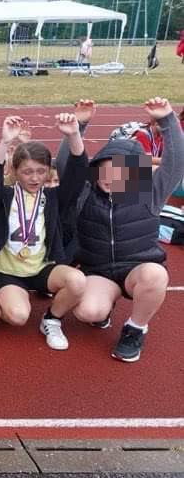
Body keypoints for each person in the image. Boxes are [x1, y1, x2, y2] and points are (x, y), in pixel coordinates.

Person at [71, 97, 184, 361]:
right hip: (99, 270)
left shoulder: (150, 192)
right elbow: (72, 164)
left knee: (156, 276)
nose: (111, 179)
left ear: (135, 173)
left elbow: (175, 162)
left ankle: (135, 328)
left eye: (120, 173)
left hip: (138, 268)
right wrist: (79, 125)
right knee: (88, 312)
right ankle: (106, 304)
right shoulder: (85, 192)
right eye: (105, 171)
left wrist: (167, 120)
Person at [0, 114, 88, 351]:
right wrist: (5, 142)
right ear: (14, 170)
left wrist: (73, 134)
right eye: (28, 172)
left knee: (78, 282)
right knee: (17, 316)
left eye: (41, 172)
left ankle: (51, 318)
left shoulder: (53, 198)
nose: (35, 178)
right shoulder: (5, 196)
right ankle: (8, 297)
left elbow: (78, 173)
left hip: (42, 268)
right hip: (8, 271)